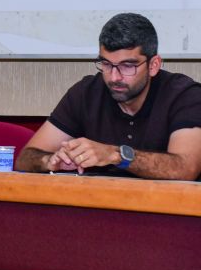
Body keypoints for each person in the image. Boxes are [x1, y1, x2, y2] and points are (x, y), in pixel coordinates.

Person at [16, 13, 201, 180]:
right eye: (106, 64)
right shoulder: (86, 92)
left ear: (153, 65)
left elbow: (185, 168)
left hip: (167, 212)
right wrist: (52, 161)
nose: (114, 77)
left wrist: (115, 155)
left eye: (128, 66)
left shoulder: (184, 95)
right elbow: (25, 159)